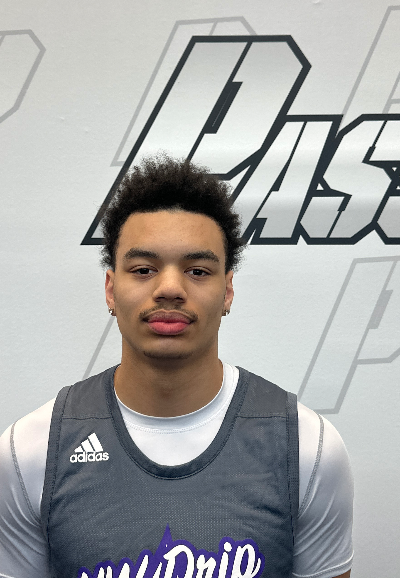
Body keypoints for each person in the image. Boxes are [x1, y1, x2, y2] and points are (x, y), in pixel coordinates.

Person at [0, 155, 353, 578]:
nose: (169, 288)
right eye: (143, 269)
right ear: (111, 289)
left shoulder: (308, 448)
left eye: (198, 270)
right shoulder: (31, 451)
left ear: (228, 291)